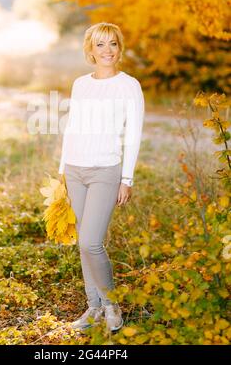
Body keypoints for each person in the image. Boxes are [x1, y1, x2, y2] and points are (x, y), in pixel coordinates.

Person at [58, 22, 145, 332]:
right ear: (90, 50)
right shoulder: (81, 84)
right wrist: (61, 173)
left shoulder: (129, 85)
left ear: (119, 48)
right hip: (75, 169)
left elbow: (133, 135)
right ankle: (93, 307)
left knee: (92, 241)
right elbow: (72, 128)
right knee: (83, 242)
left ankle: (111, 303)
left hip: (105, 170)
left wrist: (127, 179)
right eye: (100, 45)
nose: (107, 51)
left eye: (113, 44)